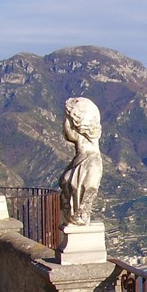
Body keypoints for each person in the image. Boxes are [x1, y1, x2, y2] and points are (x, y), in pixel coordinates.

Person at [59, 97, 103, 226]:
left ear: (75, 125)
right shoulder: (79, 159)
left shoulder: (92, 163)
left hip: (77, 224)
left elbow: (89, 189)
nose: (63, 125)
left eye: (65, 120)